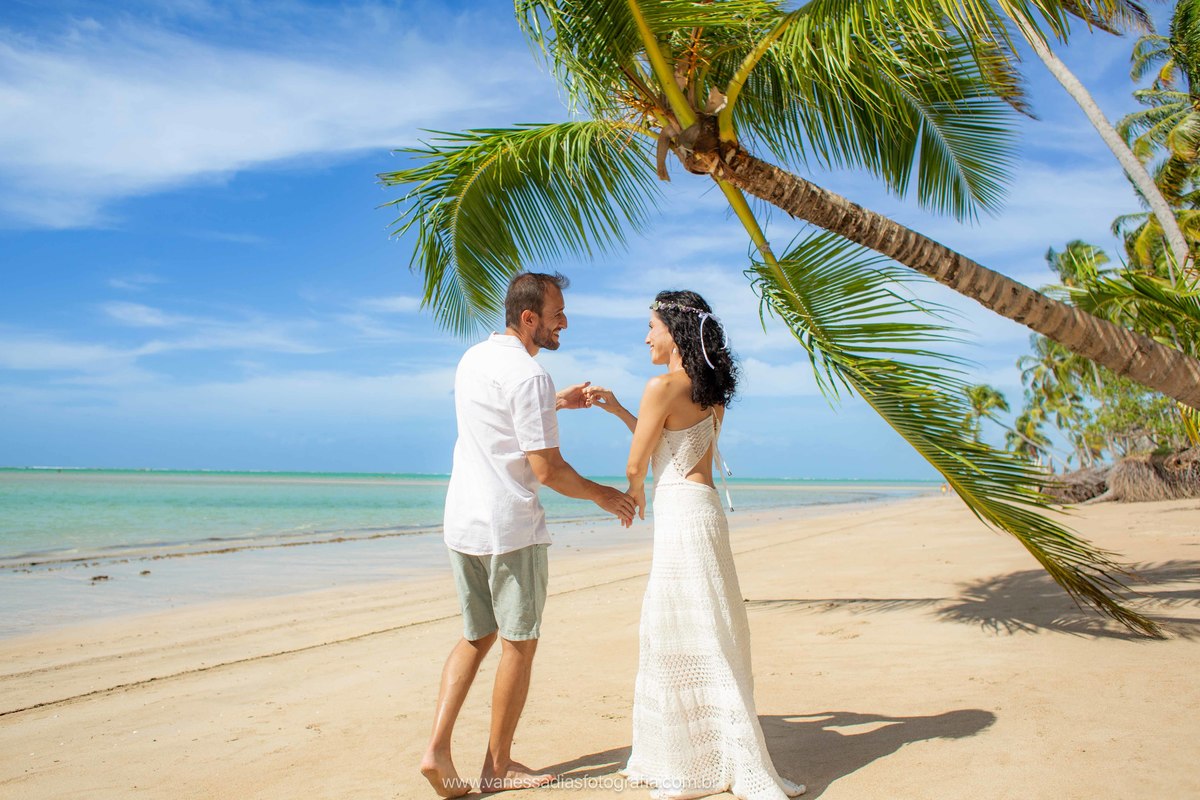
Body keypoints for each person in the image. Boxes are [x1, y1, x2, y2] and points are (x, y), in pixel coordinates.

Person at [420, 272, 637, 797]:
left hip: (463, 523)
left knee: (477, 636)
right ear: (529, 318)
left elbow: (497, 423)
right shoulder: (529, 377)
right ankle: (497, 766)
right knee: (519, 643)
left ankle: (436, 748)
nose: (565, 321)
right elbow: (548, 470)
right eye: (557, 312)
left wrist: (555, 403)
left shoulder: (474, 359)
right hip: (510, 527)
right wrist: (605, 494)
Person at [586, 290, 805, 800]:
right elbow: (668, 438)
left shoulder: (660, 385)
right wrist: (620, 409)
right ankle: (721, 751)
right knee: (713, 623)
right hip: (705, 509)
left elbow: (638, 462)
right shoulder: (711, 389)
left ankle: (690, 761)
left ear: (674, 331)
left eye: (652, 328)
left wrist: (631, 495)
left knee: (676, 626)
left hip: (680, 514)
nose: (646, 338)